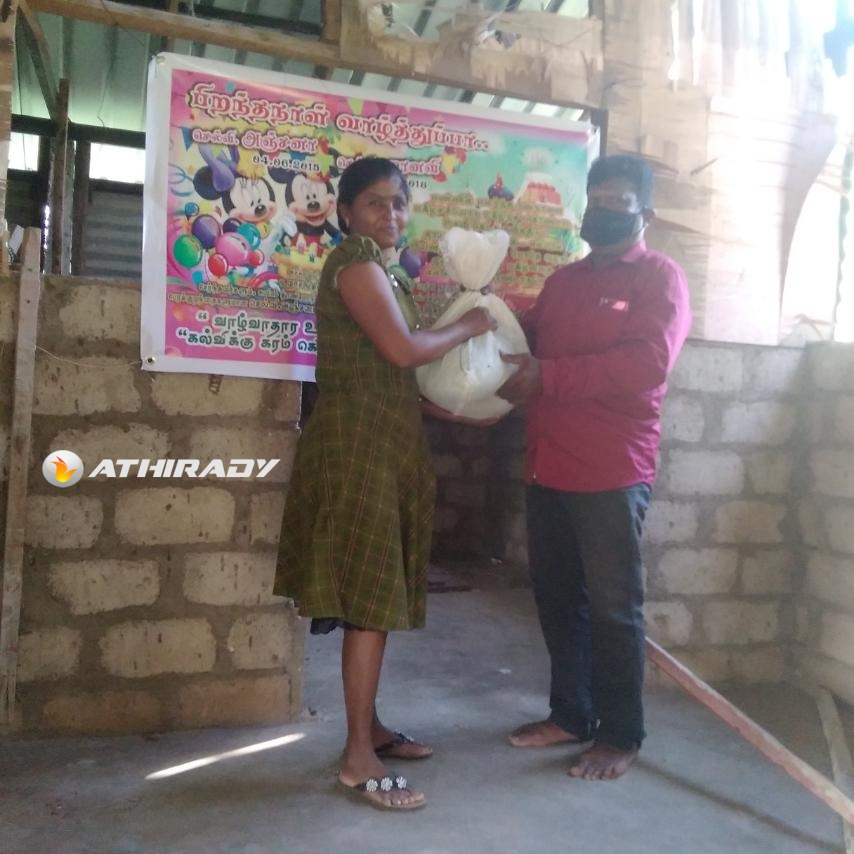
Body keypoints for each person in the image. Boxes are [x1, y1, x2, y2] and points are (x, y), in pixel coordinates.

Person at [274, 156, 497, 811]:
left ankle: (368, 728)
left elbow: (391, 371)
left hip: (382, 445)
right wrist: (469, 325)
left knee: (373, 598)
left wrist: (457, 410)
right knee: (370, 601)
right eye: (375, 202)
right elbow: (403, 351)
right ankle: (357, 761)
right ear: (345, 212)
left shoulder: (384, 271)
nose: (390, 213)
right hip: (359, 452)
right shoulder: (356, 265)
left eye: (398, 202)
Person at [497, 154, 691, 781]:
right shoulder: (565, 282)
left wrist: (549, 377)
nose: (602, 211)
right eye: (596, 200)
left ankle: (620, 734)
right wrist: (482, 318)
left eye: (617, 203)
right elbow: (528, 341)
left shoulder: (660, 279)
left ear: (645, 213)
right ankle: (570, 715)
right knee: (558, 600)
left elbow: (646, 365)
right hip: (547, 463)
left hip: (611, 469)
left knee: (613, 609)